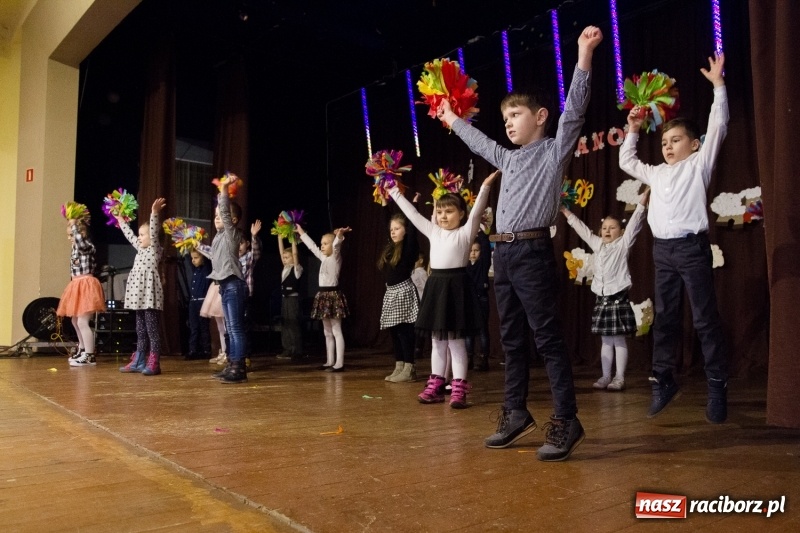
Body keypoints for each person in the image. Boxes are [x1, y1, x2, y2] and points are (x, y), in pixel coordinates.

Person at [436, 26, 602, 460]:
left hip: (530, 252)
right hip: (502, 252)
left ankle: (567, 419)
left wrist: (583, 54)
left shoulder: (553, 150)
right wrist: (452, 119)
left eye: (516, 115)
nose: (508, 122)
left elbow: (576, 110)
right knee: (511, 339)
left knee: (545, 337)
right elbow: (480, 141)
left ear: (541, 116)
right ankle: (515, 413)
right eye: (506, 117)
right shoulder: (508, 157)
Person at [619, 53, 729, 424]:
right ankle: (662, 380)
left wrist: (718, 86)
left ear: (694, 144)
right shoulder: (656, 173)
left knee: (703, 318)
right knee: (664, 319)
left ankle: (717, 383)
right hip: (662, 251)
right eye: (664, 141)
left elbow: (719, 125)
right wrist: (633, 129)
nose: (667, 146)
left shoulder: (699, 164)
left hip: (691, 249)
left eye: (676, 140)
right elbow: (626, 162)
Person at [388, 170, 498, 409]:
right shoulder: (433, 231)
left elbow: (478, 209)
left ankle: (459, 387)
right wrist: (393, 191)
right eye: (440, 211)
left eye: (449, 211)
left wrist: (486, 187)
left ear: (461, 214)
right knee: (437, 341)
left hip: (457, 287)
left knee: (456, 341)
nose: (444, 216)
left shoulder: (466, 232)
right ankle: (436, 384)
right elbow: (412, 213)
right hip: (436, 287)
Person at [560, 190, 649, 391]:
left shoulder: (623, 245)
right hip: (602, 298)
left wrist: (642, 202)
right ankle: (606, 375)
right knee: (605, 340)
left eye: (612, 227)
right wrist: (566, 212)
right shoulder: (598, 244)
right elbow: (581, 229)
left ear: (621, 231)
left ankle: (619, 377)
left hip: (617, 296)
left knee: (618, 339)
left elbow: (635, 222)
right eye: (604, 228)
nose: (607, 231)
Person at [115, 198, 167, 375]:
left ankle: (154, 361)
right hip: (137, 295)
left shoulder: (154, 249)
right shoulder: (140, 249)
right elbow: (129, 235)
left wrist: (154, 213)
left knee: (152, 329)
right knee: (140, 328)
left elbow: (153, 230)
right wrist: (121, 220)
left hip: (149, 295)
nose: (139, 237)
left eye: (143, 235)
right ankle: (139, 359)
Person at [208, 177, 248, 383]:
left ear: (232, 221)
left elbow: (224, 210)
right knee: (230, 329)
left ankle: (239, 368)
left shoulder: (232, 234)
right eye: (215, 216)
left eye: (221, 216)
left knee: (235, 327)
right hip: (225, 286)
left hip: (234, 284)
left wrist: (223, 191)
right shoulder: (218, 237)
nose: (217, 218)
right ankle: (232, 364)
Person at [297, 224, 351, 371]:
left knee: (336, 330)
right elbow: (312, 246)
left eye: (325, 243)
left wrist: (339, 235)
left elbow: (337, 244)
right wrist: (301, 232)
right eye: (322, 243)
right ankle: (329, 361)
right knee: (327, 331)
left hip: (333, 295)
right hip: (322, 294)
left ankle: (339, 363)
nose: (322, 246)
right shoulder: (323, 257)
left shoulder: (335, 256)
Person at [57, 210, 106, 366]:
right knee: (75, 320)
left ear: (81, 233)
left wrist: (74, 226)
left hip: (86, 285)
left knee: (83, 321)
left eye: (71, 235)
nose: (69, 238)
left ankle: (90, 355)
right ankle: (83, 349)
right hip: (77, 284)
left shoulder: (87, 246)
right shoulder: (76, 248)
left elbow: (81, 243)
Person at [378, 211, 420, 383]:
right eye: (391, 229)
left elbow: (413, 228)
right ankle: (399, 365)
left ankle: (409, 368)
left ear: (406, 230)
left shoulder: (409, 247)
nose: (393, 232)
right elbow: (384, 225)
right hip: (391, 292)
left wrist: (414, 206)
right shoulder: (390, 247)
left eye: (397, 228)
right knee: (394, 332)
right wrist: (384, 204)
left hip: (403, 292)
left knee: (405, 331)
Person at [466, 231, 492, 372]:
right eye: (470, 250)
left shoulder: (482, 264)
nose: (473, 253)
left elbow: (486, 248)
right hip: (469, 301)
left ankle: (483, 359)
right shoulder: (465, 266)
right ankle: (469, 358)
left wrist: (481, 233)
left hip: (481, 299)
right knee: (469, 331)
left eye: (476, 250)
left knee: (482, 330)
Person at [277, 235, 305, 362]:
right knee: (285, 324)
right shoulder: (285, 268)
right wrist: (279, 236)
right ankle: (287, 348)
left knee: (293, 324)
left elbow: (294, 253)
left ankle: (297, 350)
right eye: (283, 258)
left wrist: (293, 239)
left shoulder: (296, 269)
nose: (284, 259)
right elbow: (281, 250)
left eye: (287, 257)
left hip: (293, 300)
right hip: (284, 299)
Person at [238, 220, 262, 359]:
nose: (238, 246)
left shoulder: (249, 257)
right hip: (234, 297)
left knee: (245, 328)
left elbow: (256, 253)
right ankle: (233, 356)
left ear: (246, 244)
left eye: (241, 243)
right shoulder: (232, 258)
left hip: (246, 297)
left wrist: (253, 237)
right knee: (233, 327)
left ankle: (246, 356)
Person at [185, 249, 212, 361]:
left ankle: (206, 350)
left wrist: (199, 246)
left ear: (203, 258)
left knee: (204, 327)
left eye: (196, 258)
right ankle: (193, 350)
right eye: (192, 258)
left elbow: (208, 256)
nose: (193, 260)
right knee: (194, 327)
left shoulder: (206, 269)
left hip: (202, 302)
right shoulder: (195, 270)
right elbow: (187, 257)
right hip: (193, 302)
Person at [411, 252, 429, 361]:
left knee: (419, 328)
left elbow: (425, 288)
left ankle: (418, 349)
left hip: (420, 304)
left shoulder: (421, 273)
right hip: (414, 304)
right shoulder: (413, 272)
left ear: (421, 260)